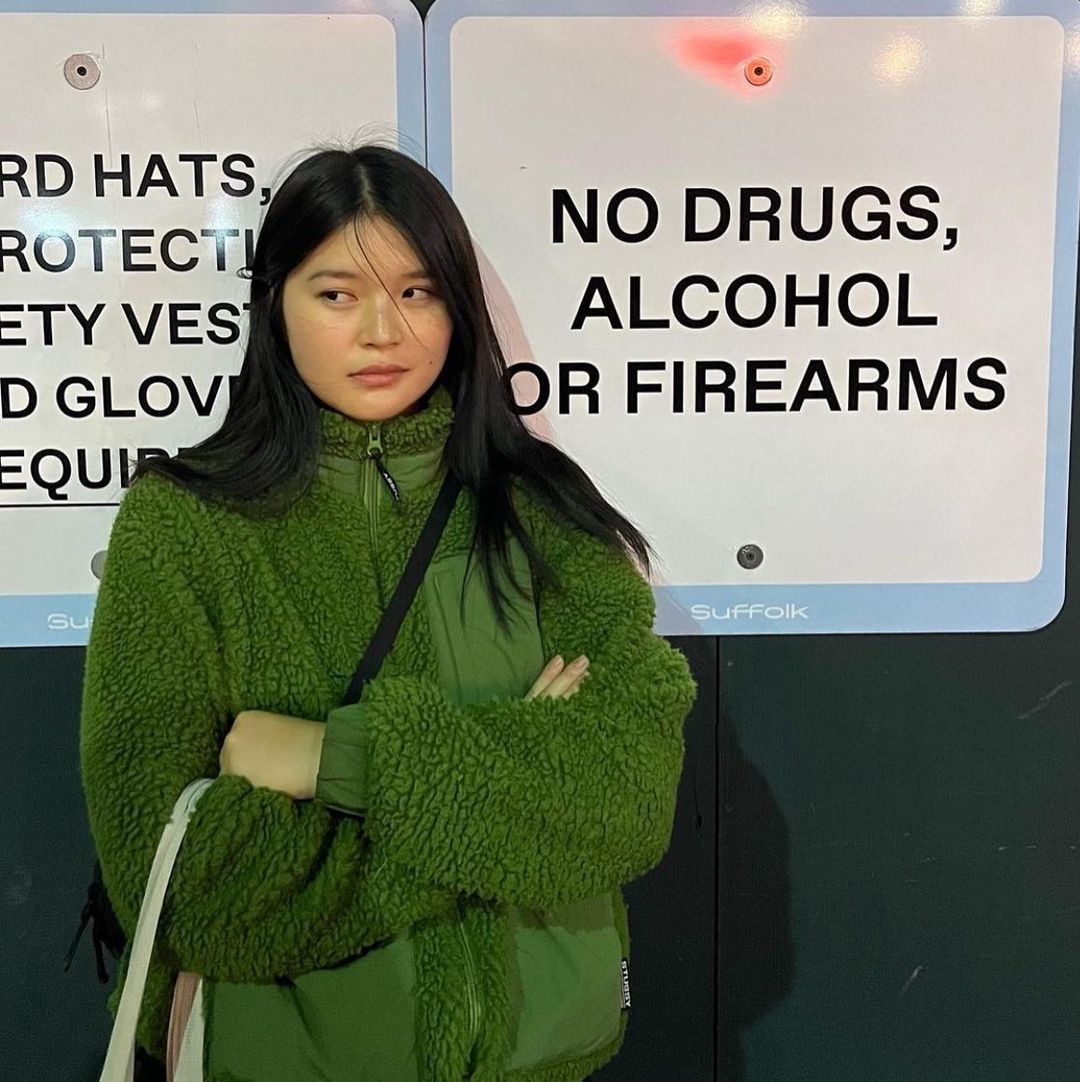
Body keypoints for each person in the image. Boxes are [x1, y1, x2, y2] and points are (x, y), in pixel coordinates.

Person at [80, 142, 699, 1082]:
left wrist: (331, 760)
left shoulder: (543, 506)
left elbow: (628, 797)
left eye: (418, 292)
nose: (383, 331)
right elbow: (190, 890)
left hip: (541, 1064)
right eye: (337, 294)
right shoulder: (186, 525)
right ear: (274, 305)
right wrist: (505, 804)